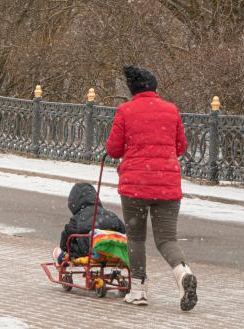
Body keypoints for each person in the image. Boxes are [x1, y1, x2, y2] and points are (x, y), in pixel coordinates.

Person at [106, 65, 197, 311]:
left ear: (133, 90)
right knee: (167, 239)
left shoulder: (125, 110)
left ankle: (138, 290)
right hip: (167, 185)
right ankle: (182, 273)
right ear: (155, 88)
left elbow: (113, 149)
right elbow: (180, 147)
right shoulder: (171, 110)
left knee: (136, 237)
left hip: (135, 184)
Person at [52, 183, 126, 265]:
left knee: (61, 249)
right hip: (113, 254)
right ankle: (102, 252)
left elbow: (66, 236)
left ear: (74, 202)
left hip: (87, 252)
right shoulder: (111, 214)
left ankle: (62, 258)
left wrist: (65, 249)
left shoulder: (78, 217)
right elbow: (123, 232)